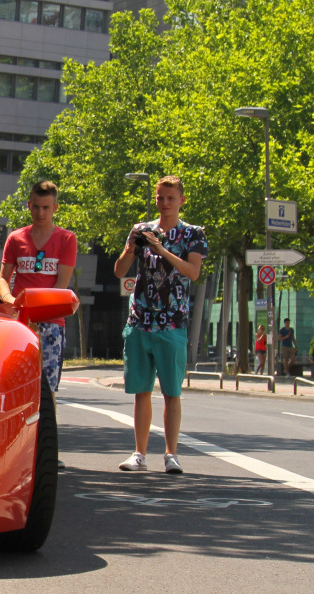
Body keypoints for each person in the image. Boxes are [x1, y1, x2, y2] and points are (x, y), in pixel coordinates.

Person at [112, 175, 208, 474]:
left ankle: (171, 454)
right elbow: (119, 271)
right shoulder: (141, 229)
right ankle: (139, 453)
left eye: (170, 198)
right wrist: (131, 247)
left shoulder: (192, 234)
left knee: (171, 392)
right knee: (141, 390)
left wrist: (161, 248)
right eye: (159, 197)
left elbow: (192, 272)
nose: (164, 203)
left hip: (172, 322)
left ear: (181, 201)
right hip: (141, 320)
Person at [0, 180, 78, 469]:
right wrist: (8, 298)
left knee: (46, 390)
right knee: (14, 386)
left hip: (51, 323)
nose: (40, 212)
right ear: (28, 205)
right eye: (35, 206)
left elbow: (61, 285)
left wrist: (39, 308)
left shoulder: (67, 240)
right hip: (19, 323)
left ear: (55, 208)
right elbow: (3, 277)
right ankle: (15, 450)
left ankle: (47, 452)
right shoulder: (16, 238)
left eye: (46, 207)